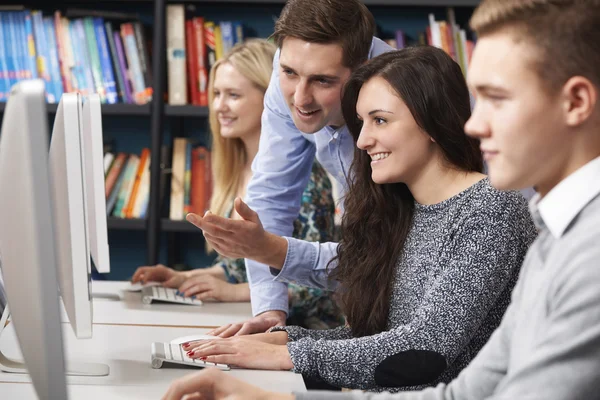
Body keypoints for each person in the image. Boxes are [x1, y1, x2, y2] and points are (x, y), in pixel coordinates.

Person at [163, 0, 600, 398]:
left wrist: (285, 372)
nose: (475, 123)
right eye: (360, 122)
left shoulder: (525, 223)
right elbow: (465, 387)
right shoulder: (549, 239)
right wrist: (281, 338)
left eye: (496, 99)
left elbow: (426, 352)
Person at [183, 0, 394, 338]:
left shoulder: (404, 98)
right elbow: (269, 203)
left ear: (364, 70)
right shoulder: (292, 75)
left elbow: (396, 255)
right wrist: (269, 309)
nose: (299, 98)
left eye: (323, 81)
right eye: (289, 72)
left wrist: (270, 249)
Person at [132, 39, 344, 330]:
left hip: (305, 332)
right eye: (216, 94)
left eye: (233, 95)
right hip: (259, 320)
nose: (220, 106)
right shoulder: (236, 169)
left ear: (271, 97)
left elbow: (319, 283)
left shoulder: (304, 178)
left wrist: (233, 293)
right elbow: (243, 264)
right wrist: (186, 278)